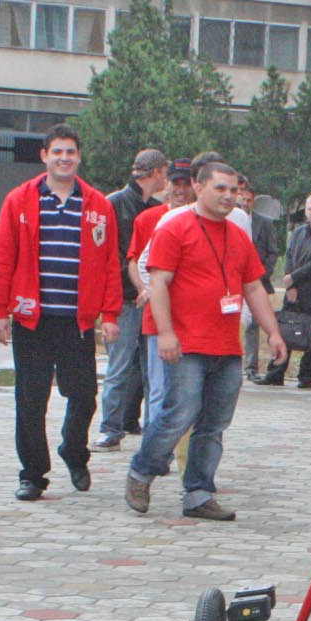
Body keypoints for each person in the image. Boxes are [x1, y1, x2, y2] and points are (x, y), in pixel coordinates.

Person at [122, 161, 287, 522]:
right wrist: (166, 333)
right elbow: (159, 284)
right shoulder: (174, 227)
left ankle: (198, 492)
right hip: (186, 343)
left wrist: (273, 332)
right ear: (199, 188)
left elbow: (253, 288)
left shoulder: (238, 235)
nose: (229, 196)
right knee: (178, 413)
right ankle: (142, 471)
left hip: (226, 345)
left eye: (233, 190)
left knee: (214, 423)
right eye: (220, 188)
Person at [0, 123, 123, 502]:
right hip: (33, 320)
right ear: (44, 156)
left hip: (77, 322)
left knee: (84, 396)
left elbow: (110, 264)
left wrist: (110, 315)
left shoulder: (98, 205)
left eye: (71, 152)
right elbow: (4, 258)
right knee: (30, 401)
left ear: (79, 157)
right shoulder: (19, 200)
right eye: (57, 152)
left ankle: (74, 451)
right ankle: (33, 475)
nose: (64, 158)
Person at [89, 148, 168, 452]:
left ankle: (148, 429)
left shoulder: (155, 209)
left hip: (148, 298)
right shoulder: (114, 204)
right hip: (124, 298)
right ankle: (110, 428)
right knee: (120, 367)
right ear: (157, 172)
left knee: (151, 371)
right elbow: (108, 255)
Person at [127, 161, 196, 448]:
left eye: (186, 184)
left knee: (185, 388)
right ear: (166, 184)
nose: (180, 190)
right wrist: (144, 289)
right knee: (157, 387)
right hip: (157, 317)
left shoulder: (202, 220)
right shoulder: (149, 219)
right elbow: (135, 261)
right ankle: (154, 449)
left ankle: (179, 446)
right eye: (175, 183)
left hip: (191, 318)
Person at [262, 193, 311, 388]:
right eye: (310, 209)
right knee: (283, 332)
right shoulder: (298, 232)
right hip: (293, 293)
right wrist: (290, 285)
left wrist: (294, 278)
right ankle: (275, 374)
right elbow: (289, 257)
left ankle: (306, 377)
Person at [239, 176, 281, 381]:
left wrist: (262, 273)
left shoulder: (264, 223)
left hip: (256, 280)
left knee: (253, 324)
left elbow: (273, 252)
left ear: (253, 201)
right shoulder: (229, 220)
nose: (245, 203)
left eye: (249, 200)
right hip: (232, 280)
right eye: (242, 199)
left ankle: (251, 366)